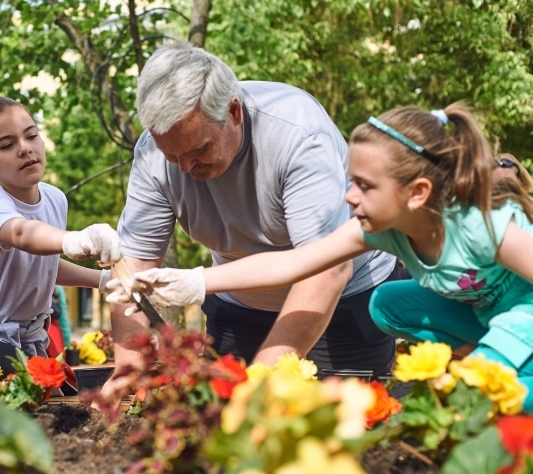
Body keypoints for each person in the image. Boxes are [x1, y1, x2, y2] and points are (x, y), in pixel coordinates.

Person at [109, 103, 533, 411]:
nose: (349, 196)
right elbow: (295, 262)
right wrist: (197, 281)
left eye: (365, 186)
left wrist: (495, 355)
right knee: (385, 303)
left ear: (416, 193)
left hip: (525, 312)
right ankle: (486, 356)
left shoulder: (484, 227)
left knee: (484, 392)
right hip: (484, 312)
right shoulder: (380, 229)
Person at [110, 40, 398, 380]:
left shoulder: (299, 136)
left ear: (234, 112)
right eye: (172, 155)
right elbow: (133, 267)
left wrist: (258, 381)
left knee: (341, 423)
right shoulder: (152, 154)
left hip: (341, 305)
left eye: (198, 149)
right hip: (238, 307)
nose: (184, 167)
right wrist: (127, 369)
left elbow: (326, 270)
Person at [0, 96, 120, 376]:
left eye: (31, 136)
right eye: (7, 145)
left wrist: (104, 281)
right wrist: (73, 239)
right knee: (15, 375)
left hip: (28, 343)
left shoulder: (56, 198)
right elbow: (21, 233)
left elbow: (43, 265)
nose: (25, 149)